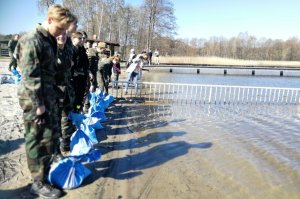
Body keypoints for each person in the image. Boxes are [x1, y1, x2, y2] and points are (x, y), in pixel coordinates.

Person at [15, 4, 74, 199]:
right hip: (35, 100)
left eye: (65, 30)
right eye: (60, 28)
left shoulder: (49, 40)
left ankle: (45, 176)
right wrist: (39, 106)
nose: (62, 33)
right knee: (36, 139)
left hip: (48, 96)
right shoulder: (32, 40)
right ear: (49, 20)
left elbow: (52, 71)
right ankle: (38, 183)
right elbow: (30, 77)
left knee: (49, 138)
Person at [54, 30, 75, 154]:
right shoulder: (51, 52)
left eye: (64, 34)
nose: (62, 36)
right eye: (59, 34)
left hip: (67, 91)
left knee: (66, 118)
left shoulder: (67, 51)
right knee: (55, 123)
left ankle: (65, 145)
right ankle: (56, 152)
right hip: (55, 93)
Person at [71, 32, 89, 113]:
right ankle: (74, 112)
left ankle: (78, 110)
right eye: (80, 38)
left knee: (80, 97)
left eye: (83, 38)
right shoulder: (71, 49)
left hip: (82, 77)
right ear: (74, 39)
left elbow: (85, 63)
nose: (82, 40)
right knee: (74, 98)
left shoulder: (81, 49)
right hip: (74, 78)